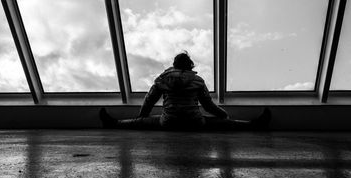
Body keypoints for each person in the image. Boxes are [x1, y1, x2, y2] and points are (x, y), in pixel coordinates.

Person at [99, 52, 271, 131]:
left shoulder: (162, 79)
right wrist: (223, 114)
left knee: (140, 123)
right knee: (225, 124)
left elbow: (149, 101)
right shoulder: (197, 80)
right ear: (190, 65)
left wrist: (142, 116)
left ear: (174, 64)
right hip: (194, 122)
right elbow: (209, 106)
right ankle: (255, 125)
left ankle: (113, 123)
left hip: (168, 122)